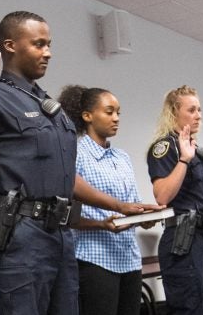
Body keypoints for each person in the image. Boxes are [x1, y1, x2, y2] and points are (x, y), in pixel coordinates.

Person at [0, 12, 155, 314]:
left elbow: (64, 178)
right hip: (19, 236)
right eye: (39, 44)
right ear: (10, 45)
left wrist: (119, 207)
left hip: (60, 235)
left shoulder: (47, 105)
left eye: (49, 44)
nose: (48, 52)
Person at [58, 85, 148, 315]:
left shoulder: (122, 157)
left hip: (129, 259)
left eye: (118, 112)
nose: (116, 118)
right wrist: (101, 224)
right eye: (109, 112)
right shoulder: (75, 155)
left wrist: (146, 215)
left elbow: (131, 204)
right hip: (94, 260)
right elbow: (65, 216)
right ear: (87, 116)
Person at [146, 86, 203, 315]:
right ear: (173, 112)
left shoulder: (195, 149)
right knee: (189, 307)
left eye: (199, 109)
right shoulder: (166, 147)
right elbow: (162, 196)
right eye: (191, 110)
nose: (199, 115)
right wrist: (183, 160)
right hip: (184, 240)